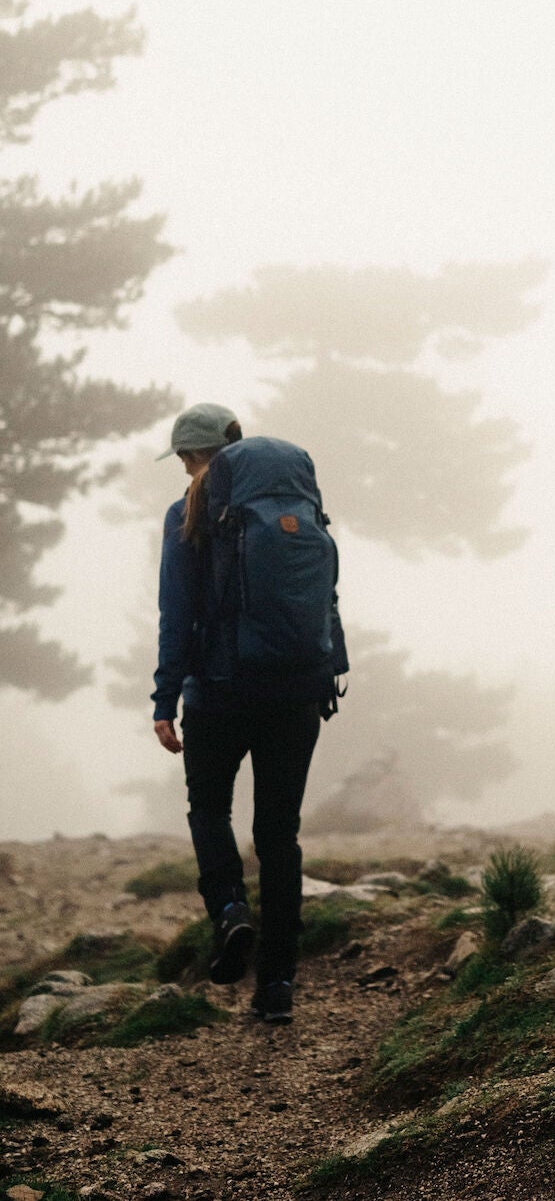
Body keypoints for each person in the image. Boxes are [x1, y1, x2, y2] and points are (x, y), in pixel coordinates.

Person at [151, 402, 341, 1026]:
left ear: (191, 456)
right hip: (295, 691)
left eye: (184, 455)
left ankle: (231, 911)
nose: (182, 466)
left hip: (220, 694)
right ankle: (278, 986)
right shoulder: (296, 506)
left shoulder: (189, 515)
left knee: (209, 810)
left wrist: (164, 699)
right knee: (278, 836)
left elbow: (176, 616)